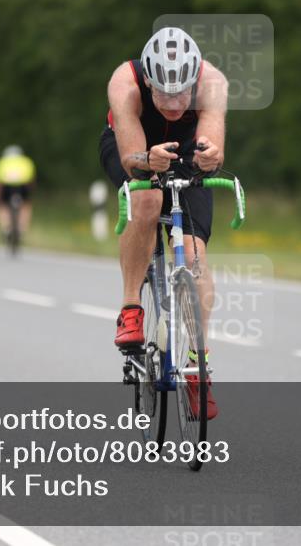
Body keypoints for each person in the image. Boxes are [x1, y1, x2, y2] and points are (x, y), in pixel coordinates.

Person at [98, 26, 228, 419]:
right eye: (163, 94)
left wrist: (209, 156)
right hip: (132, 144)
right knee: (148, 196)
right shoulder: (125, 82)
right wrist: (144, 161)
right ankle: (131, 307)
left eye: (181, 93)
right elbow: (130, 158)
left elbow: (211, 142)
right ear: (149, 81)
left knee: (193, 253)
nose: (173, 103)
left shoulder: (212, 82)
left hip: (184, 150)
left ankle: (197, 365)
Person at [0, 145, 36, 245]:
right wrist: (30, 196)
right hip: (22, 187)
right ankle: (21, 230)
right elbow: (31, 182)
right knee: (26, 206)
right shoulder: (26, 162)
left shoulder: (2, 162)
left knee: (1, 205)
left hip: (6, 187)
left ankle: (6, 228)